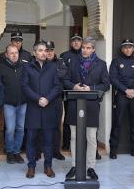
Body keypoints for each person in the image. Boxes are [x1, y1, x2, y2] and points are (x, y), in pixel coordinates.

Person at [64, 36, 110, 180]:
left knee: (91, 138)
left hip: (91, 105)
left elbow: (106, 84)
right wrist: (74, 86)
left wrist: (92, 88)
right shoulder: (73, 62)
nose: (85, 50)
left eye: (88, 48)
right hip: (74, 104)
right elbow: (65, 79)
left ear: (93, 49)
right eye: (83, 47)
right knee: (74, 137)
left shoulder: (101, 64)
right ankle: (74, 165)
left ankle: (91, 167)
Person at [21, 41, 62, 179]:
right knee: (31, 140)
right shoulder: (27, 67)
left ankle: (48, 167)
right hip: (33, 108)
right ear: (34, 53)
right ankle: (31, 167)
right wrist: (38, 99)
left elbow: (57, 86)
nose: (44, 53)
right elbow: (25, 86)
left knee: (48, 141)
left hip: (48, 108)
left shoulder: (53, 67)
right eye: (40, 50)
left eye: (45, 50)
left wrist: (47, 99)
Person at [109, 39, 134, 160]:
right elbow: (113, 78)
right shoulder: (116, 62)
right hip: (121, 95)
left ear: (133, 48)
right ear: (122, 49)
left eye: (130, 47)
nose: (127, 49)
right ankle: (113, 150)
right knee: (117, 123)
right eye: (125, 47)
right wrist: (125, 90)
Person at [0, 44, 27, 164]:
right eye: (11, 53)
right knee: (10, 129)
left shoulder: (25, 66)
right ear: (6, 55)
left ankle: (16, 152)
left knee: (20, 129)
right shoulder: (0, 67)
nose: (14, 55)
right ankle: (9, 152)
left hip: (23, 103)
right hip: (9, 104)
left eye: (16, 53)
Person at [60, 33, 83, 151]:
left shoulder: (86, 55)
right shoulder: (64, 56)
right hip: (69, 91)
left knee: (83, 119)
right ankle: (66, 143)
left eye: (78, 40)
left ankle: (81, 144)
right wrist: (72, 86)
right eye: (74, 40)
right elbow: (62, 75)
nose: (76, 42)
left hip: (84, 93)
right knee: (68, 119)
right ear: (71, 42)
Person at [45, 40, 67, 160]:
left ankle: (55, 151)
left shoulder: (60, 62)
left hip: (57, 99)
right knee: (41, 125)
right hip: (43, 99)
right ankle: (40, 150)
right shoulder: (39, 63)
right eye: (47, 50)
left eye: (51, 50)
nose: (49, 52)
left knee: (56, 126)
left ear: (54, 51)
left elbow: (62, 74)